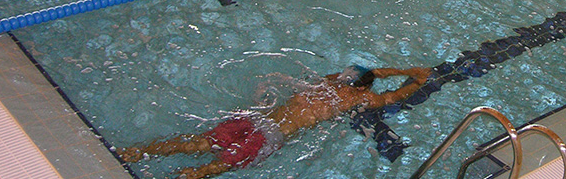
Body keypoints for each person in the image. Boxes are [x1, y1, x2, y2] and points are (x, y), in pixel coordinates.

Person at [118, 66, 432, 179]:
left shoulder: (328, 82)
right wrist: (416, 76)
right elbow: (393, 97)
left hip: (254, 119)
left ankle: (132, 154)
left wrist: (379, 72)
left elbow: (371, 73)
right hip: (269, 136)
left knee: (197, 142)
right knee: (210, 169)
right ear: (362, 88)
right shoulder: (354, 98)